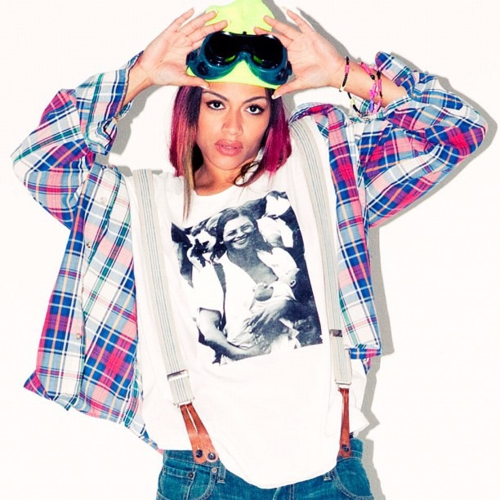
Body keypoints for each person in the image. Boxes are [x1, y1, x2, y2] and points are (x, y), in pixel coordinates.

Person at [11, 0, 487, 497]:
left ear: (272, 113)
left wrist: (343, 74)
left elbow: (455, 131)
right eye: (216, 104)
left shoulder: (323, 159)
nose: (233, 128)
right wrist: (142, 74)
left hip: (331, 474)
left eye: (253, 108)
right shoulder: (138, 206)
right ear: (190, 108)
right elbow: (40, 162)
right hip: (205, 477)